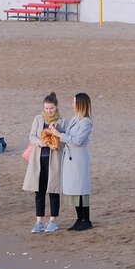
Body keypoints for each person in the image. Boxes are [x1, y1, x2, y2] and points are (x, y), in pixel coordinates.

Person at [22, 92, 64, 233]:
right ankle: (39, 221)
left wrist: (55, 133)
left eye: (51, 108)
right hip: (38, 159)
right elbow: (31, 137)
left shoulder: (61, 121)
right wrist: (41, 143)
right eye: (46, 108)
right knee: (38, 190)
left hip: (54, 159)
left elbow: (63, 139)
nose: (48, 111)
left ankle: (52, 220)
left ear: (56, 107)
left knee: (53, 189)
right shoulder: (38, 119)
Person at [57, 92, 93, 230]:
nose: (72, 105)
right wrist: (57, 129)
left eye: (74, 102)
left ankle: (86, 219)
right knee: (74, 188)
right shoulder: (74, 119)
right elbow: (67, 131)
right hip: (70, 158)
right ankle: (79, 219)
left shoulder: (86, 122)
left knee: (81, 188)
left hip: (78, 159)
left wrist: (59, 135)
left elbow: (78, 141)